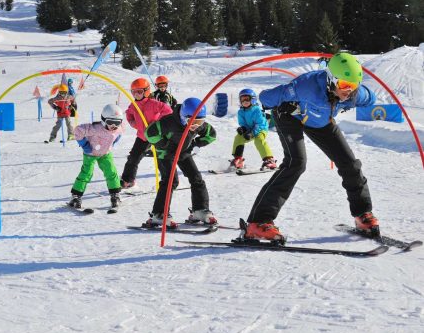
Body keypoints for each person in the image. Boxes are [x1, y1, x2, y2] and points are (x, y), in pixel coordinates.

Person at [243, 52, 378, 243]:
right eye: (345, 86)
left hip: (320, 121)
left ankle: (363, 214)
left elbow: (371, 98)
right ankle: (258, 223)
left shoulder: (354, 95)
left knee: (350, 164)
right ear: (331, 79)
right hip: (290, 116)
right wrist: (278, 102)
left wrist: (360, 92)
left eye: (353, 86)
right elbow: (266, 98)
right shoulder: (305, 86)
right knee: (296, 163)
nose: (348, 91)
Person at [145, 97, 217, 228]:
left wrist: (195, 144)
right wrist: (164, 145)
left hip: (183, 153)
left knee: (196, 178)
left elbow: (211, 135)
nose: (196, 125)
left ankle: (199, 210)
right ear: (184, 116)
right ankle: (159, 214)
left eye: (199, 122)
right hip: (166, 155)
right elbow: (150, 133)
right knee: (171, 181)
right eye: (192, 121)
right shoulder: (169, 122)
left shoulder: (198, 126)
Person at [68, 104, 125, 209]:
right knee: (86, 173)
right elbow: (78, 130)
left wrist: (113, 143)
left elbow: (120, 133)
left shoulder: (118, 129)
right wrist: (85, 145)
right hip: (90, 154)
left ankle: (115, 195)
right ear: (103, 120)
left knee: (111, 172)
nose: (114, 125)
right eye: (110, 122)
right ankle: (76, 196)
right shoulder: (95, 128)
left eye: (117, 122)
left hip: (105, 154)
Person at [120, 78, 173, 189]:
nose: (136, 94)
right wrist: (134, 123)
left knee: (162, 159)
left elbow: (168, 111)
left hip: (156, 136)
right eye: (133, 92)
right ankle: (128, 180)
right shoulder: (133, 105)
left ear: (146, 91)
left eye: (139, 91)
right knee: (133, 158)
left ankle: (168, 181)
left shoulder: (153, 103)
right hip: (142, 137)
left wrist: (159, 125)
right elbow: (128, 114)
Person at [229, 89, 277, 171]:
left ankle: (269, 160)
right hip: (250, 130)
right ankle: (238, 159)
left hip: (261, 129)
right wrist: (243, 129)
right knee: (238, 137)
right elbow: (243, 123)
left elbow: (260, 124)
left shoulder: (257, 110)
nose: (245, 101)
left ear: (253, 99)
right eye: (242, 99)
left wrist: (252, 133)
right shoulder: (241, 112)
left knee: (259, 139)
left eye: (247, 99)